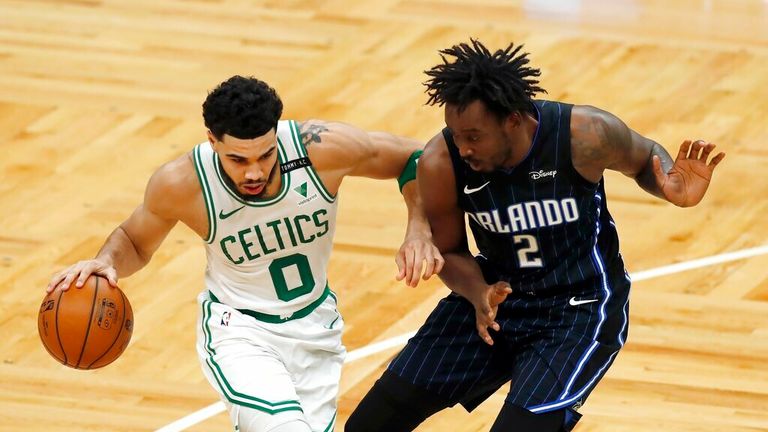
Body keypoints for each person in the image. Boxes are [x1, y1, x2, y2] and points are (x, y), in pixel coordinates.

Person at [346, 39, 725, 432]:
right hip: (496, 298)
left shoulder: (586, 134)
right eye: (455, 135)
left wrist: (670, 185)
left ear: (513, 119)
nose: (463, 148)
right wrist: (477, 292)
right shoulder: (441, 161)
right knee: (370, 424)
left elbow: (645, 157)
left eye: (473, 136)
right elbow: (451, 250)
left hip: (579, 307)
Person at [46, 75, 443, 432]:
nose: (253, 171)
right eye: (237, 159)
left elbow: (422, 156)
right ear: (212, 140)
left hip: (316, 329)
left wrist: (418, 227)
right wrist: (105, 262)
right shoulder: (182, 183)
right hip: (239, 331)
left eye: (265, 155)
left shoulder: (322, 149)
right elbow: (133, 240)